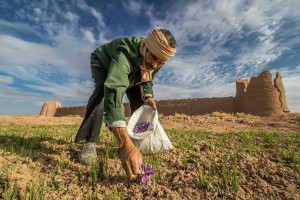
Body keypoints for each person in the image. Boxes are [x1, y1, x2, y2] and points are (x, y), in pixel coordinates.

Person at [75, 27, 176, 179]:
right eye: (154, 58)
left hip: (133, 71)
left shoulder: (157, 59)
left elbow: (147, 77)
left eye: (161, 62)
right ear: (145, 47)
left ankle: (135, 142)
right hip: (104, 64)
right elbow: (114, 88)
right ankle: (89, 142)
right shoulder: (125, 52)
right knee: (103, 91)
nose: (156, 65)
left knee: (141, 101)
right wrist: (123, 145)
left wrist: (147, 96)